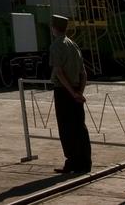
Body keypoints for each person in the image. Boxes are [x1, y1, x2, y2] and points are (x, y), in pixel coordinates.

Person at [49, 15, 91, 175]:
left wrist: (72, 93)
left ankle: (72, 162)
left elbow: (58, 72)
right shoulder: (74, 45)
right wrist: (79, 92)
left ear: (54, 27)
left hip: (64, 91)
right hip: (75, 91)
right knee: (80, 128)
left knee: (66, 129)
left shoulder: (56, 45)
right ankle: (85, 163)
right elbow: (84, 73)